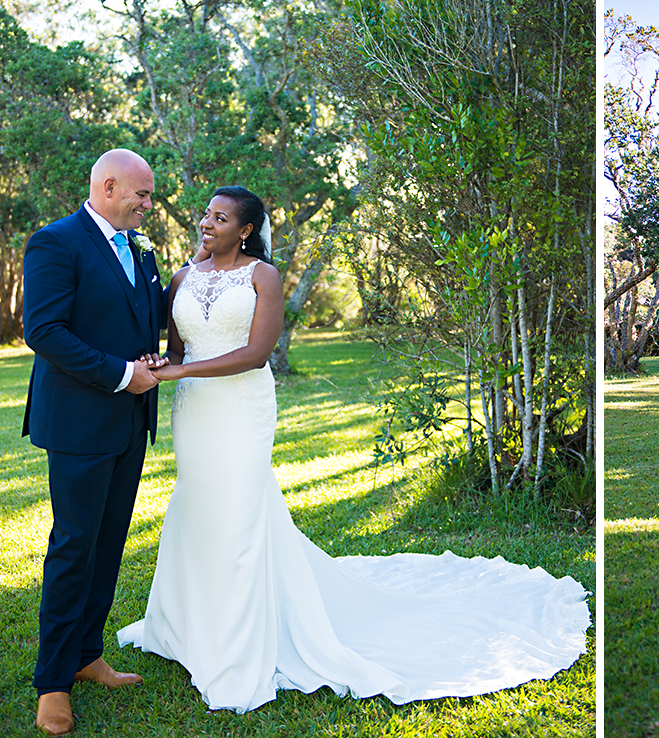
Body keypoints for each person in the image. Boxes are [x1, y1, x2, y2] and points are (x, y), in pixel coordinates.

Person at [117, 186, 591, 713]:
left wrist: (180, 371)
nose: (207, 223)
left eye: (221, 218)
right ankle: (187, 625)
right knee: (200, 507)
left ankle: (236, 649)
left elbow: (255, 355)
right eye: (206, 214)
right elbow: (176, 350)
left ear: (246, 230)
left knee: (240, 515)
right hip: (195, 413)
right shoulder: (182, 278)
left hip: (241, 409)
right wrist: (159, 365)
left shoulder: (262, 276)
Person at [23, 149, 171, 736]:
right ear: (108, 187)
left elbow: (141, 317)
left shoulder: (142, 249)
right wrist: (120, 373)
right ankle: (53, 682)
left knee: (108, 544)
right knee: (74, 546)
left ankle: (87, 654)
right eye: (142, 194)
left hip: (131, 422)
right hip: (80, 423)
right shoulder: (55, 242)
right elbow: (44, 330)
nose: (148, 204)